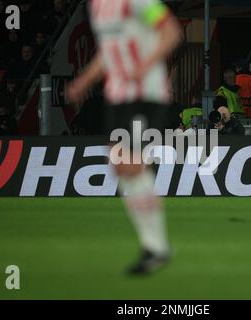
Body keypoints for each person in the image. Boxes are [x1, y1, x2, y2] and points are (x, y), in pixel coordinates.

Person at [67, 0, 182, 275]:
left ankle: (155, 248)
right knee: (121, 166)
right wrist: (84, 80)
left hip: (145, 93)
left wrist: (145, 65)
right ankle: (157, 247)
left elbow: (171, 33)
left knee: (130, 164)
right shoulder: (97, 7)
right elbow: (108, 52)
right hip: (118, 96)